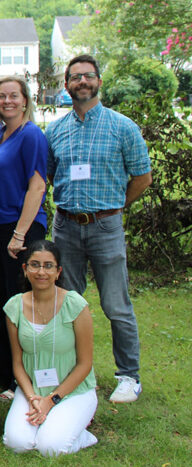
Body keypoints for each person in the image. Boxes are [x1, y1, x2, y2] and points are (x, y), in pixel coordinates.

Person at [46, 54, 152, 403]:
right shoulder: (55, 130)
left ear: (99, 82)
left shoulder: (123, 127)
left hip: (106, 225)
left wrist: (118, 206)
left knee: (116, 304)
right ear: (66, 85)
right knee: (69, 304)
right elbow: (46, 177)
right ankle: (74, 370)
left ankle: (128, 376)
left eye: (88, 76)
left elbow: (143, 176)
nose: (82, 82)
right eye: (75, 77)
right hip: (66, 227)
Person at [0, 76, 48, 400]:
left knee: (23, 306)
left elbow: (37, 186)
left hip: (21, 230)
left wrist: (19, 235)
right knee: (4, 305)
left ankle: (28, 379)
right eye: (1, 96)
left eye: (13, 96)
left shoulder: (30, 135)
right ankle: (7, 376)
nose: (7, 101)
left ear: (25, 100)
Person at [3, 240, 98, 456]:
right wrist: (32, 398)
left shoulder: (75, 305)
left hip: (73, 392)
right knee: (17, 443)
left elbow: (85, 364)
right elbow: (17, 363)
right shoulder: (14, 306)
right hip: (33, 390)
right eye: (35, 265)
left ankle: (82, 434)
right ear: (25, 270)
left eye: (48, 266)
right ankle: (53, 424)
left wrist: (52, 400)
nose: (41, 272)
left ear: (58, 271)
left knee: (50, 448)